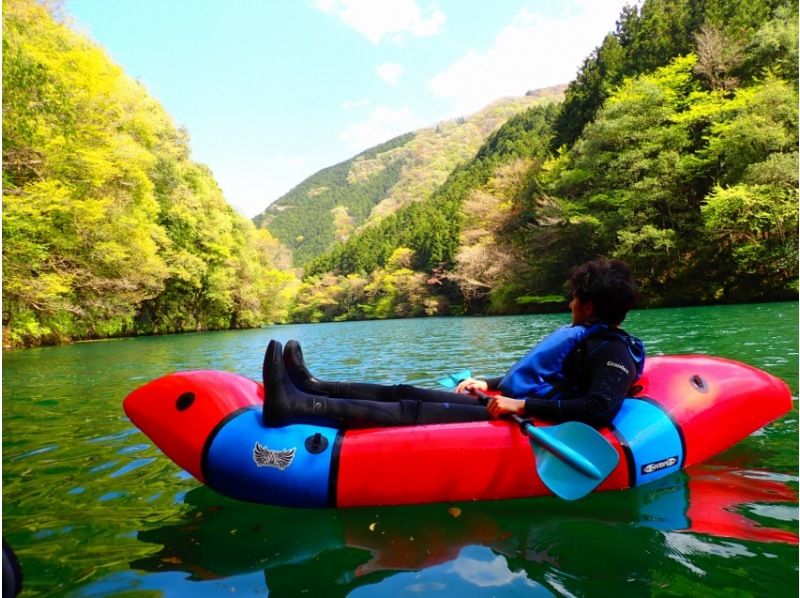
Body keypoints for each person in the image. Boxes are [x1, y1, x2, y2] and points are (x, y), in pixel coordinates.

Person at [263, 258, 645, 429]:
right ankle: (313, 386)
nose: (570, 303)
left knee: (411, 410)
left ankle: (296, 406)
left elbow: (598, 408)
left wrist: (520, 404)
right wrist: (490, 384)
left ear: (589, 304)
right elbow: (544, 376)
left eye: (575, 297)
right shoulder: (584, 340)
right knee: (405, 390)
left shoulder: (612, 350)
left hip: (527, 420)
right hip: (509, 406)